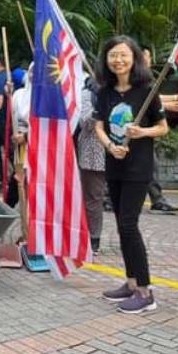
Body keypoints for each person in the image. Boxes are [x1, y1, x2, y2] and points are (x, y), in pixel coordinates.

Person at [94, 36, 169, 314]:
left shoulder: (148, 90)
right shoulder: (105, 91)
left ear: (134, 58)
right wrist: (110, 146)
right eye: (113, 55)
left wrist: (142, 132)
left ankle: (146, 292)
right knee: (122, 225)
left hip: (138, 167)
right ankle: (130, 282)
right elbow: (99, 126)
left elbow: (163, 128)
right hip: (114, 164)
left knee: (128, 225)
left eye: (123, 55)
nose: (118, 60)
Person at [140, 48, 178, 215]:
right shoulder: (132, 77)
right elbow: (142, 100)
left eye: (148, 56)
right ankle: (109, 196)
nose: (146, 59)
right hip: (132, 129)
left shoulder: (146, 77)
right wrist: (169, 104)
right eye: (142, 56)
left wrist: (174, 98)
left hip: (146, 130)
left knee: (150, 164)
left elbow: (153, 97)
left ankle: (157, 199)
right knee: (146, 164)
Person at [0, 56, 26, 207]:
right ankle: (0, 177)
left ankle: (6, 176)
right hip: (8, 120)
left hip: (5, 121)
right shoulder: (9, 79)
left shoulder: (1, 77)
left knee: (10, 151)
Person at [76, 72, 107, 254]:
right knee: (93, 197)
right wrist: (99, 107)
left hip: (118, 150)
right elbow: (84, 123)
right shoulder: (87, 94)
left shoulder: (120, 91)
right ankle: (93, 237)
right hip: (93, 151)